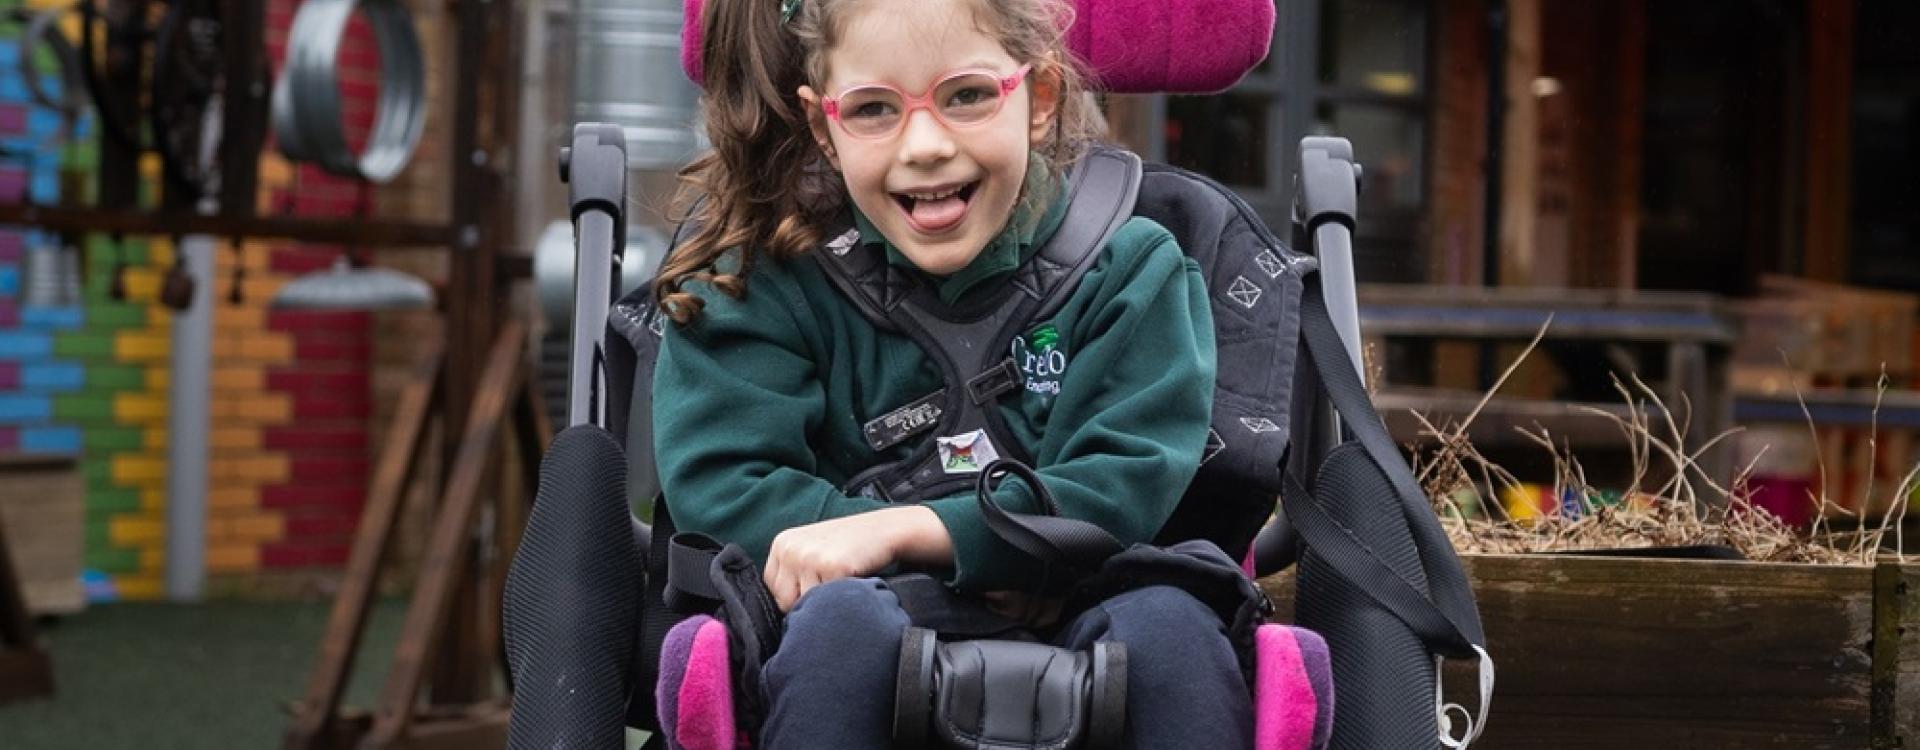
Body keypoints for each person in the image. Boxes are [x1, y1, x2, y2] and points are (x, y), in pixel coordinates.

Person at [650, 0, 1250, 746]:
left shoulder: (1131, 269)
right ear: (822, 128)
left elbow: (1120, 483)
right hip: (850, 611)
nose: (926, 145)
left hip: (1085, 602)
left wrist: (915, 530)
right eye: (872, 109)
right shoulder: (762, 284)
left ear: (1040, 97)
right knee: (841, 626)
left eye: (966, 95)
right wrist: (885, 551)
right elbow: (727, 486)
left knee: (1173, 627)